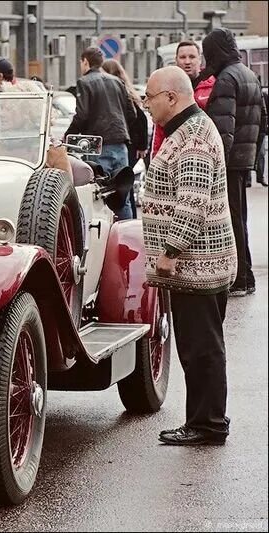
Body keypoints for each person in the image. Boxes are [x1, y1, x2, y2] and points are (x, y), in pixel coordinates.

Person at [142, 66, 236, 446]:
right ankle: (203, 419)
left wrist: (170, 250)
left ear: (171, 97)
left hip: (197, 263)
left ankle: (208, 424)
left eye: (150, 97)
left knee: (201, 349)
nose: (146, 104)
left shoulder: (193, 137)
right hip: (199, 263)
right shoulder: (186, 130)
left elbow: (192, 202)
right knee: (200, 347)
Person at [203, 28, 266, 297]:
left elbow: (222, 130)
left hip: (228, 162)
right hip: (243, 159)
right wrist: (250, 153)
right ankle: (246, 275)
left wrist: (217, 161)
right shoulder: (248, 73)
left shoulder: (227, 79)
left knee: (230, 220)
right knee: (239, 218)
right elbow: (263, 120)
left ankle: (239, 278)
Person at [65, 46, 137, 219]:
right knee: (122, 196)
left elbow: (82, 115)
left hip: (97, 145)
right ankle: (124, 238)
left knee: (100, 196)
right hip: (120, 145)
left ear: (85, 62)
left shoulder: (84, 82)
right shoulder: (116, 81)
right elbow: (131, 113)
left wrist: (68, 137)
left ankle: (102, 239)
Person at [151, 41, 216, 156]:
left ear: (200, 59)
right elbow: (159, 129)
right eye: (182, 57)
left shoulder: (212, 87)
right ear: (176, 60)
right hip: (174, 155)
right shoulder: (166, 88)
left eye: (192, 57)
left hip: (205, 154)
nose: (187, 62)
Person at [102, 59, 149, 215]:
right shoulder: (125, 89)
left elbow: (140, 118)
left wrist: (141, 145)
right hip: (132, 144)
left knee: (123, 186)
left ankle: (128, 221)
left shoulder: (116, 90)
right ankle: (130, 219)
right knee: (125, 186)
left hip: (128, 144)